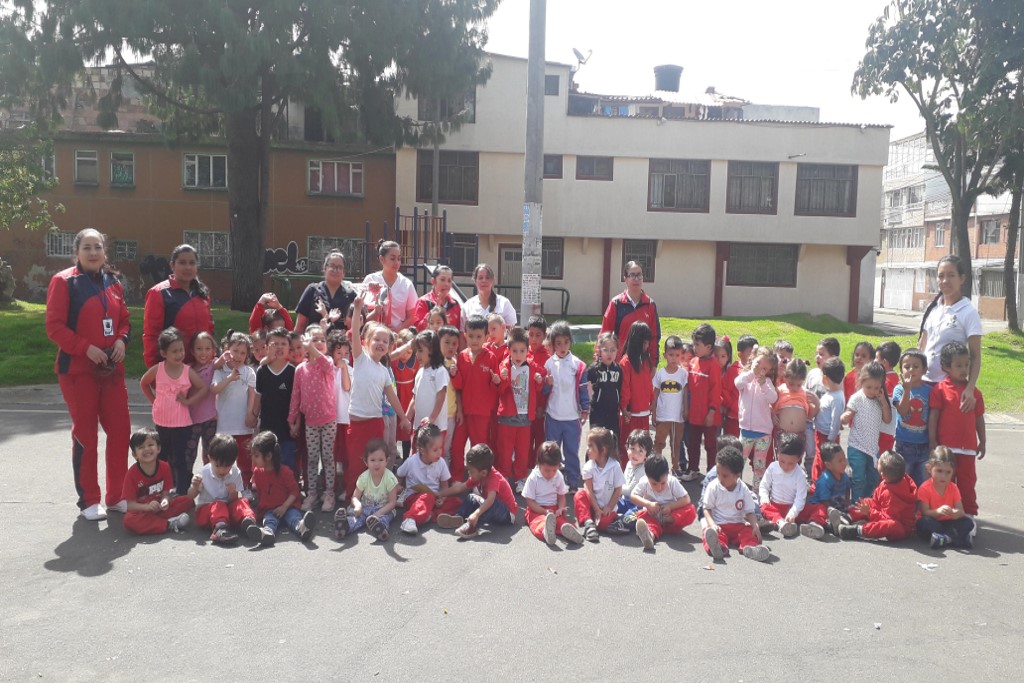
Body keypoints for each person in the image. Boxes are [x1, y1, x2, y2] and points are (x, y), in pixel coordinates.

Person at [45, 228, 132, 521]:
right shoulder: (64, 282)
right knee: (86, 434)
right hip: (78, 371)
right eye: (87, 247)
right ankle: (89, 500)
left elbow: (125, 321)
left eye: (98, 247)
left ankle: (117, 496)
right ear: (77, 252)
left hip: (112, 371)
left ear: (104, 251)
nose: (93, 252)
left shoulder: (113, 282)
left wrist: (121, 340)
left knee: (120, 432)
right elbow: (54, 327)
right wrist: (85, 348)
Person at [345, 298, 411, 497]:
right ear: (366, 342)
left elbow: (392, 397)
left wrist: (404, 418)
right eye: (376, 339)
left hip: (375, 422)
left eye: (385, 341)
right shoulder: (360, 359)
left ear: (390, 347)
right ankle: (353, 499)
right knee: (356, 462)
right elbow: (355, 332)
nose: (381, 343)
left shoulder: (383, 371)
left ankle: (373, 496)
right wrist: (358, 310)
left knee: (375, 462)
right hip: (357, 423)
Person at [139, 327, 209, 495]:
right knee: (161, 459)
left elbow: (203, 388)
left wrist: (189, 401)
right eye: (174, 351)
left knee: (180, 460)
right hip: (162, 424)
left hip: (182, 424)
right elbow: (144, 383)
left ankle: (182, 492)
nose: (179, 354)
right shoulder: (158, 369)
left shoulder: (187, 371)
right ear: (164, 353)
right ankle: (160, 491)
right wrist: (154, 401)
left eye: (181, 350)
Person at [928, 341, 986, 516]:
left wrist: (982, 441)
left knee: (967, 484)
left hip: (968, 449)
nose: (964, 369)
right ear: (946, 367)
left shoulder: (974, 393)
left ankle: (968, 516)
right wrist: (932, 440)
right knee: (944, 484)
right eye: (959, 365)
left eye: (966, 365)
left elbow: (979, 418)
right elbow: (934, 416)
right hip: (946, 450)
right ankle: (945, 515)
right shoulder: (939, 389)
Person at [919, 255, 983, 401]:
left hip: (949, 389)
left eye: (951, 275)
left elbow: (975, 356)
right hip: (924, 383)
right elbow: (922, 346)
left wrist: (970, 388)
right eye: (941, 276)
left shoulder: (969, 312)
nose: (945, 280)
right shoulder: (933, 309)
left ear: (962, 279)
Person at [288, 326, 337, 513]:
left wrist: (312, 348)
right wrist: (292, 419)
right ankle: (312, 493)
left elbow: (326, 364)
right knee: (312, 458)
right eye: (314, 339)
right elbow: (296, 395)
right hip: (310, 422)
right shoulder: (301, 369)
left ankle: (330, 493)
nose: (318, 343)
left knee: (328, 457)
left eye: (322, 340)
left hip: (329, 419)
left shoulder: (327, 362)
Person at [143, 243, 214, 367]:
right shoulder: (158, 293)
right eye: (182, 263)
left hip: (203, 367)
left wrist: (214, 356)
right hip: (175, 369)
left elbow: (210, 329)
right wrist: (154, 369)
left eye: (192, 263)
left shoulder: (202, 292)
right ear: (172, 265)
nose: (188, 267)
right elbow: (151, 336)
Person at [450, 315, 501, 481]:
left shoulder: (491, 357)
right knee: (457, 446)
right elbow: (459, 386)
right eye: (471, 336)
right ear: (465, 335)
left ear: (486, 337)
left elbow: (496, 388)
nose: (474, 340)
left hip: (481, 413)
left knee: (478, 448)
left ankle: (478, 480)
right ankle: (457, 477)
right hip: (463, 411)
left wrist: (496, 381)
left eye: (479, 336)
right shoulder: (461, 356)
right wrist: (454, 374)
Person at [495, 327, 546, 488]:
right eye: (515, 351)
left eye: (522, 351)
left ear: (527, 350)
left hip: (525, 417)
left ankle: (521, 478)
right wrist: (502, 379)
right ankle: (504, 476)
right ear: (509, 350)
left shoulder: (531, 366)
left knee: (523, 451)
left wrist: (539, 380)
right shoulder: (504, 366)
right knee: (505, 450)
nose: (518, 355)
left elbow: (538, 386)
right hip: (507, 417)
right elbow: (499, 390)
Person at [186, 434, 260, 545]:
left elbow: (234, 500)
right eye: (218, 466)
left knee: (241, 501)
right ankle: (220, 530)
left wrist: (232, 493)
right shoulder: (203, 473)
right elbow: (190, 496)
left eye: (226, 466)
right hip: (206, 512)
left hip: (226, 511)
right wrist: (194, 486)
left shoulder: (235, 472)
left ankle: (248, 522)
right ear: (210, 458)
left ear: (233, 461)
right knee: (219, 504)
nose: (222, 470)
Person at [700, 446, 769, 562]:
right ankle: (718, 547)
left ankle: (750, 548)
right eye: (718, 473)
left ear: (737, 475)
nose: (720, 478)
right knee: (710, 532)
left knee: (749, 532)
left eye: (725, 476)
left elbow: (749, 511)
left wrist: (755, 525)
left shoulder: (743, 489)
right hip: (719, 525)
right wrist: (712, 524)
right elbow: (707, 508)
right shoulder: (713, 487)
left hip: (738, 525)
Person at [543, 321, 590, 489]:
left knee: (571, 451)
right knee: (551, 451)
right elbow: (544, 391)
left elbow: (583, 389)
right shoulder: (548, 364)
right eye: (558, 343)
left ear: (571, 341)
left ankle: (573, 480)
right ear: (552, 344)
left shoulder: (578, 365)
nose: (562, 346)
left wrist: (585, 408)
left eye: (566, 342)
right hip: (553, 416)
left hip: (572, 417)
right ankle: (551, 480)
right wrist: (547, 384)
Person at [121, 428, 194, 535]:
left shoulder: (164, 466)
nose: (147, 449)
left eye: (150, 445)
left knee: (188, 500)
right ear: (134, 454)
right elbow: (130, 505)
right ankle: (169, 524)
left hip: (161, 508)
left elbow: (166, 492)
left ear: (158, 448)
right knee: (129, 520)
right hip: (143, 511)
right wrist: (147, 507)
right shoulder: (131, 474)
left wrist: (165, 501)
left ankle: (157, 521)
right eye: (141, 447)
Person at [249, 431, 316, 546]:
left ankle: (303, 528)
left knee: (294, 517)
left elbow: (294, 491)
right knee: (269, 520)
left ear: (268, 456)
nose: (253, 459)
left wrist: (284, 507)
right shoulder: (257, 472)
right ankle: (267, 534)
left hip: (288, 507)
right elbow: (261, 492)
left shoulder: (285, 472)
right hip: (270, 509)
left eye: (256, 456)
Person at [437, 444, 518, 538]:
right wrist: (439, 493)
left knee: (492, 504)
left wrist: (476, 514)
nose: (468, 473)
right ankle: (458, 517)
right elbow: (460, 487)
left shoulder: (494, 478)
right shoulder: (479, 475)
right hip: (492, 509)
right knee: (471, 497)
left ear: (483, 472)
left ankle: (472, 526)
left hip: (507, 514)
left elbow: (490, 500)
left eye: (471, 471)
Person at [837, 451, 917, 542]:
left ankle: (857, 530)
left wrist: (869, 512)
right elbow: (876, 502)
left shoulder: (891, 497)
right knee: (866, 502)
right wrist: (868, 508)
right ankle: (847, 517)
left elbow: (886, 518)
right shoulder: (892, 479)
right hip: (883, 512)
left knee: (890, 525)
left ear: (882, 474)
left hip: (900, 527)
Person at [758, 432, 826, 540]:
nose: (786, 466)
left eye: (791, 463)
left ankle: (814, 524)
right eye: (782, 461)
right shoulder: (772, 467)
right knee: (763, 507)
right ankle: (781, 524)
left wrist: (793, 513)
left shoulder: (800, 474)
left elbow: (800, 498)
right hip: (775, 507)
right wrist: (764, 497)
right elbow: (764, 486)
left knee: (820, 508)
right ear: (778, 453)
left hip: (794, 509)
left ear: (799, 458)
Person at [210, 331, 258, 484]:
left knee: (245, 460)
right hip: (224, 426)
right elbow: (215, 389)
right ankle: (221, 487)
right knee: (223, 459)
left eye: (243, 353)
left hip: (243, 426)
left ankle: (245, 487)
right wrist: (230, 378)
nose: (238, 356)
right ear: (226, 350)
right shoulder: (220, 371)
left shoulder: (249, 372)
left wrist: (250, 414)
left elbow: (252, 395)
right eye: (235, 351)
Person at [396, 424, 461, 535]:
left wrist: (442, 499)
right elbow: (399, 475)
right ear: (422, 450)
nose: (439, 452)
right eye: (435, 449)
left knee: (457, 502)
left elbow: (444, 486)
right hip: (413, 498)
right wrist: (398, 486)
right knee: (427, 497)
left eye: (440, 448)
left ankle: (428, 516)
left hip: (434, 498)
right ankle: (410, 519)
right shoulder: (411, 462)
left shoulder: (441, 463)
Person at [840, 362, 892, 501]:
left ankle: (866, 502)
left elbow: (887, 419)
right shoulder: (857, 398)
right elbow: (849, 412)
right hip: (857, 446)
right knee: (858, 478)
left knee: (873, 478)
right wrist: (845, 417)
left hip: (873, 449)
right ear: (861, 381)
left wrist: (883, 401)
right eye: (869, 387)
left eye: (876, 388)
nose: (872, 391)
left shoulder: (879, 399)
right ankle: (856, 505)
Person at [334, 438, 400, 542]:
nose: (376, 464)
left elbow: (392, 503)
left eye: (381, 460)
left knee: (385, 518)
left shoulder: (390, 478)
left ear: (387, 461)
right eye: (372, 460)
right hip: (366, 507)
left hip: (384, 509)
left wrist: (378, 513)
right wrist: (358, 505)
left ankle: (381, 529)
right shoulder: (364, 477)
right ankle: (344, 527)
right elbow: (355, 497)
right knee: (357, 519)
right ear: (366, 462)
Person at [599, 260, 661, 367]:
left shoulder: (650, 305)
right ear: (625, 278)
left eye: (639, 275)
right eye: (632, 275)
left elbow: (654, 338)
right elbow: (604, 335)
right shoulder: (616, 304)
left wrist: (653, 364)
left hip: (642, 365)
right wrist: (599, 359)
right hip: (620, 365)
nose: (636, 279)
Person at [522, 442, 585, 545]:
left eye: (554, 470)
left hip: (553, 509)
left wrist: (560, 508)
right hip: (537, 509)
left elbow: (561, 496)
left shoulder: (558, 476)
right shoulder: (533, 478)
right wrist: (544, 511)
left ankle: (568, 531)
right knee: (538, 522)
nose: (551, 474)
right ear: (539, 464)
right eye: (547, 470)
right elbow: (530, 501)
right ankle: (545, 532)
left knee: (560, 521)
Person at [630, 454, 696, 550]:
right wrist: (648, 504)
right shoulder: (644, 482)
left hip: (671, 518)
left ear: (667, 475)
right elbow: (633, 496)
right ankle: (649, 536)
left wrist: (671, 506)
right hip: (653, 516)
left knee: (690, 510)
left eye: (662, 483)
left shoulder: (672, 481)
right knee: (642, 516)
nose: (659, 487)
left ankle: (666, 521)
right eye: (654, 484)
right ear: (647, 477)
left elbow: (686, 499)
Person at [253, 328, 297, 473]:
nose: (279, 347)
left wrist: (296, 424)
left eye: (283, 344)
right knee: (267, 465)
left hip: (287, 430)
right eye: (275, 344)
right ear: (266, 347)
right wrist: (253, 416)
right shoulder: (262, 371)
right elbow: (258, 396)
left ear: (289, 347)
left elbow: (297, 401)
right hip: (267, 427)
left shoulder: (293, 371)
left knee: (287, 467)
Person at [735, 346, 778, 491]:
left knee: (759, 464)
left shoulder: (767, 383)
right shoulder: (745, 377)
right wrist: (751, 374)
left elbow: (773, 398)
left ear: (769, 371)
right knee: (739, 461)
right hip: (746, 430)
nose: (760, 369)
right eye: (758, 363)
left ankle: (757, 490)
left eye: (764, 368)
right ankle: (736, 488)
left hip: (763, 432)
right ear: (753, 358)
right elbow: (737, 383)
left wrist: (763, 384)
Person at [915, 446, 976, 549]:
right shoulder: (925, 488)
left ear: (953, 472)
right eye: (939, 471)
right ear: (929, 468)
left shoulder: (954, 488)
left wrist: (956, 513)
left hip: (949, 522)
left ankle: (944, 539)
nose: (943, 476)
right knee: (924, 523)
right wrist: (938, 511)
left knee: (968, 522)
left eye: (948, 472)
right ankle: (957, 538)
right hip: (933, 521)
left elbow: (961, 511)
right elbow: (925, 512)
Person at [682, 323, 721, 482]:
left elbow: (716, 391)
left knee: (710, 446)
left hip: (709, 415)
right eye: (694, 343)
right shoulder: (693, 362)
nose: (694, 347)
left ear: (709, 347)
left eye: (697, 345)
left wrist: (712, 412)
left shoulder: (714, 366)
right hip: (694, 414)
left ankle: (711, 474)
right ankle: (693, 469)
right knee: (693, 443)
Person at [573, 427, 626, 541]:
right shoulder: (588, 466)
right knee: (579, 495)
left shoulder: (615, 466)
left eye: (590, 446)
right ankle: (589, 523)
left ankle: (600, 523)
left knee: (605, 522)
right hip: (592, 506)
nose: (587, 449)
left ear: (603, 450)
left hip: (607, 509)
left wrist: (609, 507)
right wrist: (596, 509)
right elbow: (589, 490)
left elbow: (618, 490)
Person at [892, 348, 931, 485]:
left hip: (924, 445)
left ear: (924, 369)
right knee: (903, 483)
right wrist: (907, 390)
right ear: (901, 370)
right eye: (907, 367)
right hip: (903, 445)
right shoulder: (899, 389)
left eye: (916, 366)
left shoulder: (930, 391)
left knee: (922, 483)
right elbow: (903, 412)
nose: (911, 370)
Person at [294, 251, 357, 335]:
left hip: (341, 341)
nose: (335, 270)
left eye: (339, 267)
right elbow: (300, 326)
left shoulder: (350, 295)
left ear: (344, 272)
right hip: (315, 339)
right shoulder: (312, 290)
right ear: (325, 268)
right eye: (332, 266)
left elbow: (356, 326)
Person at [362, 240, 418, 331]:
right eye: (392, 259)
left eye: (399, 259)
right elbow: (361, 313)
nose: (396, 263)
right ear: (382, 259)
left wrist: (397, 329)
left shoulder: (406, 284)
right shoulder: (370, 280)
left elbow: (413, 316)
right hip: (372, 333)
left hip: (398, 335)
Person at [618, 321, 654, 465]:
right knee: (629, 447)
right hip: (631, 414)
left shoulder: (645, 360)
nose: (647, 346)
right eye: (644, 343)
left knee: (643, 449)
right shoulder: (626, 362)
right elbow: (625, 388)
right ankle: (625, 473)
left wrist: (652, 401)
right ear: (636, 342)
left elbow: (648, 383)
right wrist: (624, 407)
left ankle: (642, 474)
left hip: (644, 412)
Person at [651, 335, 687, 470]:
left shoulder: (683, 374)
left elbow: (685, 394)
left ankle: (675, 467)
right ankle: (657, 466)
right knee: (659, 442)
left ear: (681, 355)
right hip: (663, 415)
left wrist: (686, 409)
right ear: (665, 355)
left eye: (677, 355)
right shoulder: (660, 374)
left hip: (678, 417)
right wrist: (653, 412)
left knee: (676, 444)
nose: (674, 358)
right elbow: (655, 393)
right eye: (671, 355)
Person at [805, 337, 840, 470]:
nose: (817, 357)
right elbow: (805, 393)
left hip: (825, 426)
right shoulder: (812, 374)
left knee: (824, 456)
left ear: (833, 358)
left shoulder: (835, 381)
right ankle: (810, 475)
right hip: (809, 422)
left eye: (821, 354)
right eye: (816, 354)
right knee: (810, 453)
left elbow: (838, 404)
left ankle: (821, 476)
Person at [186, 332, 219, 474]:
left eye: (207, 348)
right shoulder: (188, 369)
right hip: (191, 420)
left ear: (213, 351)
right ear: (192, 351)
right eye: (199, 349)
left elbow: (226, 358)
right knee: (189, 454)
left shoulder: (214, 365)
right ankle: (186, 481)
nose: (203, 352)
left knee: (210, 454)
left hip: (211, 419)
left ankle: (210, 480)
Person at [406, 330, 450, 437]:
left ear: (432, 350)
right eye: (416, 351)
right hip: (419, 427)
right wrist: (407, 417)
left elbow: (441, 397)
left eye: (420, 350)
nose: (417, 354)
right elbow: (414, 398)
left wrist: (432, 418)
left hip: (435, 428)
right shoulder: (420, 372)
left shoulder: (440, 371)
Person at [809, 357, 846, 482]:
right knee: (819, 460)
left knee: (824, 462)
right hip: (820, 433)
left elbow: (836, 423)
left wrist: (830, 441)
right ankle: (817, 483)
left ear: (825, 378)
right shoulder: (830, 393)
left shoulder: (837, 398)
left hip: (827, 437)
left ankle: (821, 485)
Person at [808, 441, 853, 534]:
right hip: (824, 506)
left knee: (856, 508)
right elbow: (824, 502)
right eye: (840, 461)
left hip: (838, 506)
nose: (844, 463)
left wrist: (847, 502)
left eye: (844, 459)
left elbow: (847, 488)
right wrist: (833, 513)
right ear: (828, 465)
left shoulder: (844, 475)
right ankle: (820, 525)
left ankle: (842, 521)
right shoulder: (825, 480)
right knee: (821, 512)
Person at [587, 331, 623, 447]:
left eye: (613, 350)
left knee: (613, 442)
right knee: (596, 442)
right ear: (599, 350)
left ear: (617, 351)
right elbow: (586, 389)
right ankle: (590, 459)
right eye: (606, 350)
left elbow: (620, 389)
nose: (609, 353)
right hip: (597, 412)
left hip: (613, 412)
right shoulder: (593, 369)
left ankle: (613, 459)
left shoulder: (618, 369)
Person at [461, 263, 517, 330]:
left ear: (492, 281)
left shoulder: (504, 303)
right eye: (480, 278)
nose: (484, 280)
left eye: (487, 278)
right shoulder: (467, 306)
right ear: (475, 281)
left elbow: (511, 331)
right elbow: (463, 332)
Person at [414, 265, 462, 332]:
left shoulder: (455, 304)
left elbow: (458, 330)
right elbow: (418, 329)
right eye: (442, 280)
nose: (446, 284)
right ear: (433, 281)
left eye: (449, 281)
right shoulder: (423, 302)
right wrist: (435, 309)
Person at [716, 337, 740, 438]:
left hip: (727, 410)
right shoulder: (710, 371)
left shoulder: (730, 371)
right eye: (716, 356)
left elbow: (729, 392)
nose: (719, 360)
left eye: (723, 356)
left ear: (728, 356)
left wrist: (727, 405)